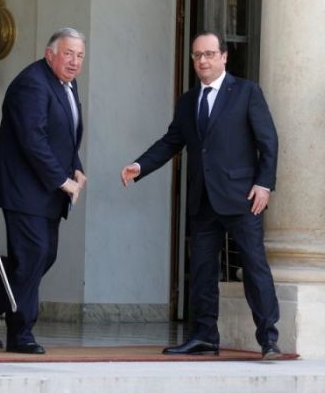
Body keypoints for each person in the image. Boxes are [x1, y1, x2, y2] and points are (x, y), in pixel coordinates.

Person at [120, 31, 282, 360]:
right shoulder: (188, 101)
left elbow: (269, 141)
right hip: (203, 198)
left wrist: (264, 184)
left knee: (254, 266)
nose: (203, 61)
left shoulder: (247, 92)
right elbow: (171, 142)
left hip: (243, 196)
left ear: (224, 57)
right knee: (203, 271)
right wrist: (140, 166)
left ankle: (269, 338)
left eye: (209, 54)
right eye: (197, 56)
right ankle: (205, 337)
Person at [0, 28, 87, 354]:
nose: (74, 62)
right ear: (50, 53)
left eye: (80, 56)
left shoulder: (66, 83)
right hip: (25, 189)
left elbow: (64, 133)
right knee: (33, 257)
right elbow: (33, 140)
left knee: (39, 258)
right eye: (68, 54)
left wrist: (76, 167)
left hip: (46, 190)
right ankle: (20, 333)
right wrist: (62, 180)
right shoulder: (32, 84)